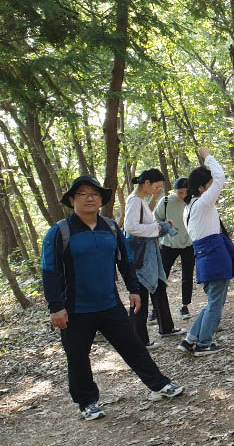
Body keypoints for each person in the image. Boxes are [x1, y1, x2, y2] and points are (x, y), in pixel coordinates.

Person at [42, 176, 183, 421]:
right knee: (77, 356)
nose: (89, 198)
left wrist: (133, 289)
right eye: (83, 194)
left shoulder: (111, 228)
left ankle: (159, 384)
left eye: (94, 194)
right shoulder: (59, 232)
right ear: (72, 200)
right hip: (75, 308)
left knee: (133, 345)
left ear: (101, 200)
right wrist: (56, 307)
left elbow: (125, 261)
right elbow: (49, 271)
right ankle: (87, 402)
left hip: (110, 304)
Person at [177, 147, 234, 356]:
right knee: (215, 304)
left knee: (213, 301)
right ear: (202, 188)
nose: (214, 188)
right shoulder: (203, 202)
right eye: (210, 185)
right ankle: (204, 343)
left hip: (204, 258)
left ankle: (191, 339)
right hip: (214, 257)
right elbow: (220, 176)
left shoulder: (190, 208)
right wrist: (207, 156)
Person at [124, 169, 186, 348]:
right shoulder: (134, 201)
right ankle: (139, 339)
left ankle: (166, 327)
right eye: (157, 186)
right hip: (142, 258)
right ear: (146, 183)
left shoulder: (140, 200)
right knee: (141, 295)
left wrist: (161, 225)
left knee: (159, 287)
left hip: (150, 255)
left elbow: (144, 225)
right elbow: (130, 227)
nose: (158, 190)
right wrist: (157, 228)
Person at [154, 177, 196, 320]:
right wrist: (165, 225)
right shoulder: (166, 201)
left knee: (187, 276)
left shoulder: (192, 201)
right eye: (180, 192)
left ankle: (185, 306)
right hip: (169, 244)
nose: (183, 195)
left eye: (186, 192)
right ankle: (156, 308)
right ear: (174, 190)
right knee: (162, 276)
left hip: (189, 244)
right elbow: (156, 219)